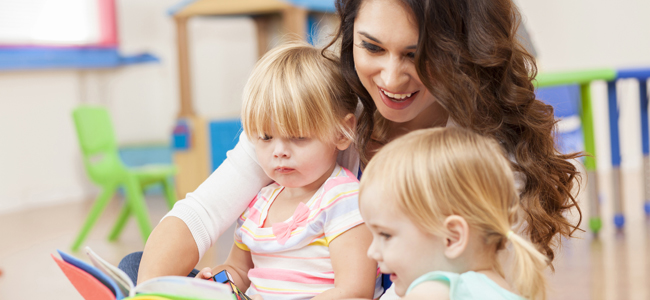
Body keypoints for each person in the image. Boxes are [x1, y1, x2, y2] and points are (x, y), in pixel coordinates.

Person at [121, 0, 582, 297]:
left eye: (416, 55)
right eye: (373, 48)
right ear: (350, 35)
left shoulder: (477, 157)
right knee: (140, 266)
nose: (392, 78)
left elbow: (467, 285)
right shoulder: (315, 110)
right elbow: (201, 213)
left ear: (459, 51)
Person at [191, 42, 382, 299]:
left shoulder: (342, 198)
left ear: (341, 132)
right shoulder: (259, 203)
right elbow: (238, 269)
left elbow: (355, 291)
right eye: (266, 137)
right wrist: (215, 283)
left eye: (298, 137)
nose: (279, 151)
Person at [359, 127, 548, 300]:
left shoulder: (432, 292)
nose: (372, 252)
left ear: (452, 236)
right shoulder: (500, 289)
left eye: (385, 234)